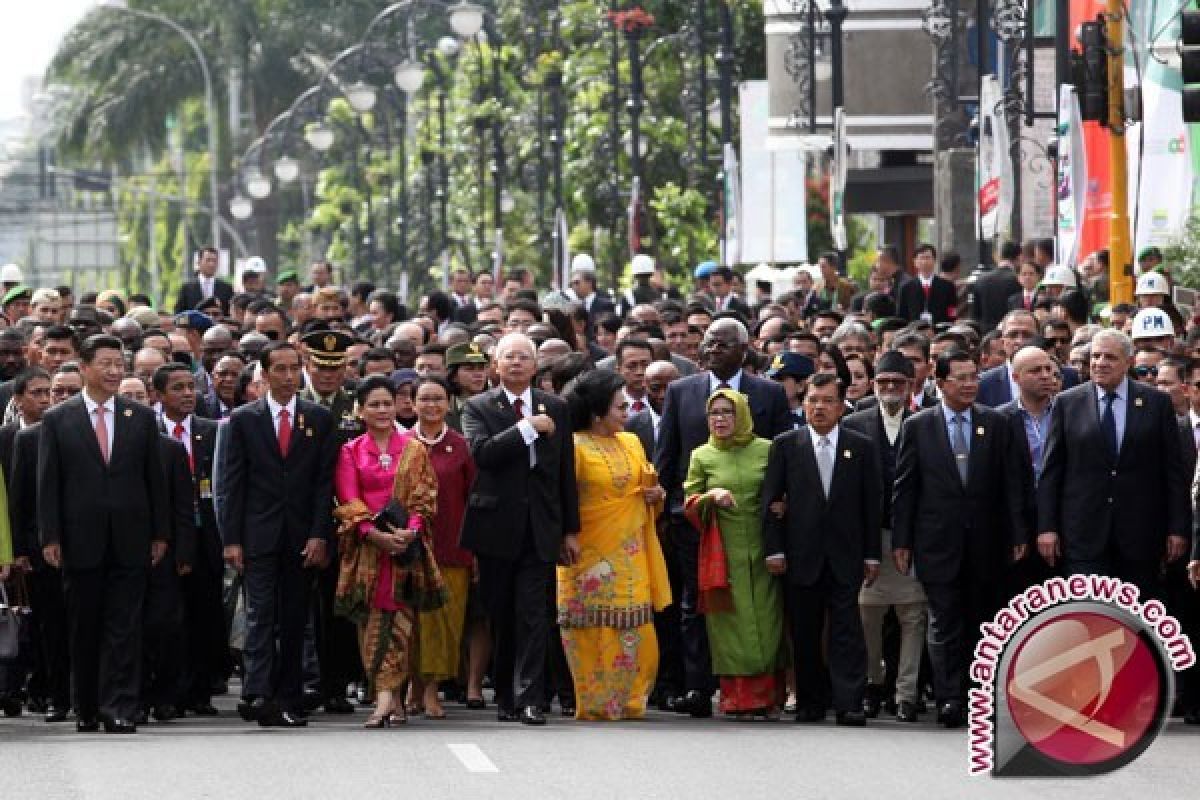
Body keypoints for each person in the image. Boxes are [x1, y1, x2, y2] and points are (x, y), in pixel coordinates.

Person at [654, 318, 790, 717]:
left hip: (755, 528)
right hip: (694, 523)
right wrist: (669, 513)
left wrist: (781, 505)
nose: (712, 349)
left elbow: (784, 458)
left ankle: (762, 690)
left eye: (722, 343)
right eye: (709, 342)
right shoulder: (681, 391)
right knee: (696, 607)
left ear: (744, 350)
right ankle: (698, 687)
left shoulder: (770, 393)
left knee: (757, 608)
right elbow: (667, 458)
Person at [38, 334, 169, 733]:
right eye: (106, 363)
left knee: (124, 626)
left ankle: (120, 707)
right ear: (85, 368)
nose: (115, 371)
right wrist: (50, 536)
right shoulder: (58, 419)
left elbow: (154, 482)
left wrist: (159, 533)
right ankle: (87, 705)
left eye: (119, 363)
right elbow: (49, 484)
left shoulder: (141, 418)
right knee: (84, 625)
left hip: (131, 538)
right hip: (80, 540)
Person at [892, 349, 1027, 729]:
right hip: (937, 542)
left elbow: (1012, 484)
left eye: (974, 377)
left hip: (987, 541)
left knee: (983, 621)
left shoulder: (997, 423)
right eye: (961, 378)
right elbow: (906, 488)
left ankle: (979, 695)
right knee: (944, 622)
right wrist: (902, 541)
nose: (970, 385)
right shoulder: (919, 426)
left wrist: (1018, 531)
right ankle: (950, 698)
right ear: (941, 382)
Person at [459, 333, 580, 725]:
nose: (516, 363)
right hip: (496, 525)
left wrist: (570, 530)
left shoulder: (557, 407)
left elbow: (565, 473)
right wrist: (527, 429)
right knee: (501, 613)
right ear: (495, 365)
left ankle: (531, 697)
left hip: (540, 525)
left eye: (524, 357)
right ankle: (507, 696)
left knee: (533, 612)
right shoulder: (478, 407)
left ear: (535, 366)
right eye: (508, 357)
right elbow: (483, 454)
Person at [216, 341, 338, 728]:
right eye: (279, 370)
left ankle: (289, 694)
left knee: (294, 616)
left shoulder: (318, 418)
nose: (288, 377)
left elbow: (323, 484)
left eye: (293, 369)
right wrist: (232, 539)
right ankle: (257, 691)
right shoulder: (243, 419)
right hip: (258, 535)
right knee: (259, 615)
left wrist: (320, 535)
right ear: (264, 375)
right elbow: (231, 484)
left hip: (302, 536)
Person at [763, 373, 882, 726]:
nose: (819, 407)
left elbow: (870, 505)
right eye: (813, 400)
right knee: (805, 630)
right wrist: (775, 550)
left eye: (828, 401)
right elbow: (770, 501)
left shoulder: (860, 446)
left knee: (847, 629)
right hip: (801, 554)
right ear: (803, 403)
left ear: (842, 406)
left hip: (846, 553)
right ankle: (810, 701)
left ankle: (848, 702)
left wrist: (872, 554)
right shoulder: (786, 445)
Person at [1038, 329, 1191, 597]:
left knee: (1135, 622)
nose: (1100, 363)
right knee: (1090, 620)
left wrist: (1177, 528)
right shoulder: (1067, 403)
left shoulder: (1157, 403)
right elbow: (1052, 471)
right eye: (1095, 356)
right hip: (1083, 535)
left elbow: (1173, 471)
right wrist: (1047, 527)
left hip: (1140, 536)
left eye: (1109, 357)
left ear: (1129, 362)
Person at [558, 370, 671, 720]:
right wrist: (567, 535)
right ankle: (593, 703)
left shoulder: (632, 442)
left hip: (632, 548)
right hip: (587, 551)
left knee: (636, 626)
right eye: (619, 407)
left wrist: (656, 495)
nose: (627, 412)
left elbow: (648, 484)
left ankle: (630, 699)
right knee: (590, 628)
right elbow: (561, 498)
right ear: (596, 412)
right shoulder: (574, 446)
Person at [332, 375, 445, 728]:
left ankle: (384, 700)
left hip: (406, 551)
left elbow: (425, 498)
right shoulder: (350, 451)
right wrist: (373, 534)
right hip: (367, 553)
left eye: (387, 403)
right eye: (374, 405)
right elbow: (348, 500)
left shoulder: (414, 450)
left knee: (400, 624)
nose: (382, 410)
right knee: (371, 626)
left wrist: (407, 533)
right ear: (360, 410)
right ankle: (389, 696)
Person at [683, 389, 786, 718]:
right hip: (722, 555)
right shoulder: (702, 455)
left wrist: (784, 505)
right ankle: (737, 701)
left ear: (741, 414)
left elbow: (785, 489)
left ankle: (769, 699)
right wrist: (711, 496)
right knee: (729, 627)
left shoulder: (768, 449)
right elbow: (688, 502)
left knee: (769, 623)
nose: (720, 419)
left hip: (763, 550)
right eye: (714, 413)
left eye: (728, 412)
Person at [842, 351, 927, 723]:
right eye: (883, 382)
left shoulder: (924, 422)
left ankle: (906, 693)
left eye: (897, 382)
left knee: (913, 615)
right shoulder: (855, 423)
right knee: (868, 613)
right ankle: (873, 684)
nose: (890, 388)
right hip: (869, 535)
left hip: (913, 536)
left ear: (911, 386)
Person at [154, 363, 225, 718]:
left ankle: (200, 689)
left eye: (190, 387)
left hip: (207, 536)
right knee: (168, 619)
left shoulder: (212, 431)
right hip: (165, 538)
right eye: (177, 388)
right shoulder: (147, 433)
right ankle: (168, 691)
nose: (186, 394)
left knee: (205, 615)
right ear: (159, 395)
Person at [299, 329, 362, 715]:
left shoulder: (356, 404)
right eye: (320, 367)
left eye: (335, 367)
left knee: (341, 609)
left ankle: (338, 683)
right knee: (305, 609)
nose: (327, 375)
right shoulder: (298, 403)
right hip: (306, 518)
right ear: (309, 365)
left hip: (350, 521)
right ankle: (308, 681)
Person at [407, 375, 476, 720]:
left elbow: (472, 497)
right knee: (411, 621)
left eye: (438, 399)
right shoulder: (401, 443)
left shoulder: (461, 445)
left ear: (448, 404)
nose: (431, 405)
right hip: (408, 548)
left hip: (452, 546)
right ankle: (412, 687)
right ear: (413, 403)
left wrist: (474, 550)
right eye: (424, 399)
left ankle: (433, 689)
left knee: (444, 622)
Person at [175, 246, 233, 314]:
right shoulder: (187, 288)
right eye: (208, 260)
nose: (211, 264)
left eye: (214, 261)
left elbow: (229, 314)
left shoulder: (226, 288)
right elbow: (178, 313)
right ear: (199, 262)